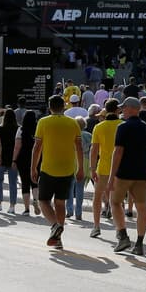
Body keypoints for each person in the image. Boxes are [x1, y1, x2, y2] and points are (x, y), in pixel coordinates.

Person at [32, 95, 84, 249]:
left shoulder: (43, 122)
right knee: (60, 203)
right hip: (67, 169)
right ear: (64, 107)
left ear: (50, 107)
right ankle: (58, 238)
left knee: (43, 201)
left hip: (48, 168)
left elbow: (37, 147)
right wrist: (81, 168)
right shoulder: (73, 123)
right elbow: (79, 147)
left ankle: (55, 226)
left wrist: (33, 167)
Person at [107, 97, 146, 255]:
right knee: (142, 208)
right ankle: (139, 243)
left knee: (115, 202)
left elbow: (118, 152)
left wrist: (111, 177)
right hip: (142, 173)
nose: (122, 110)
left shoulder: (123, 127)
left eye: (124, 108)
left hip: (124, 173)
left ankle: (123, 236)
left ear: (131, 108)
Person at [88, 99, 123, 237]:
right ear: (117, 110)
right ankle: (120, 229)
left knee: (97, 198)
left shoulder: (99, 127)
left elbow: (94, 150)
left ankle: (96, 226)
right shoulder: (122, 125)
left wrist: (92, 168)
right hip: (120, 168)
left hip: (103, 167)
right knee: (118, 200)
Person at [0, 108, 20, 212]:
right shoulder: (18, 128)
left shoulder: (0, 128)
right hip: (13, 157)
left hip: (2, 157)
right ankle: (12, 206)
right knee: (13, 182)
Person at [15, 110, 38, 216]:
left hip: (23, 158)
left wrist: (14, 160)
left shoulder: (21, 130)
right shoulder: (38, 128)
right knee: (35, 181)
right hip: (37, 158)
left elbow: (17, 146)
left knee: (25, 182)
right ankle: (36, 200)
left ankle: (26, 209)